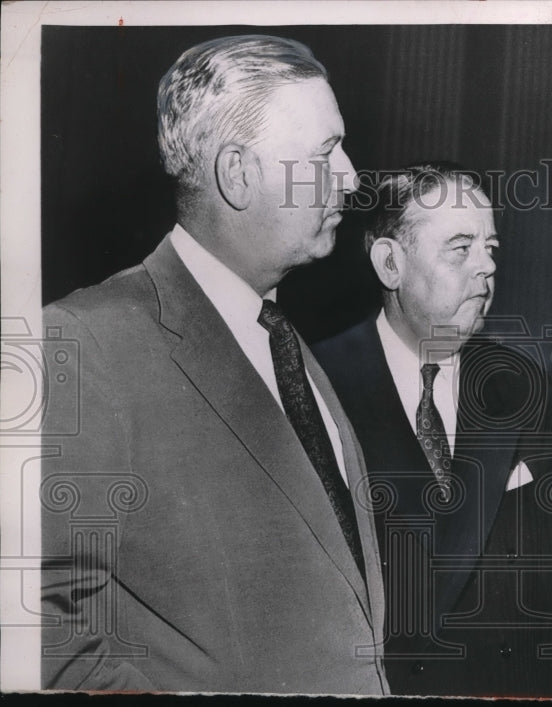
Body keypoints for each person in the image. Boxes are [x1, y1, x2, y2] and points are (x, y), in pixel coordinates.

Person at [40, 35, 386, 694]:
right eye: (324, 153)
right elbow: (38, 631)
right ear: (237, 173)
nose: (350, 175)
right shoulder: (87, 342)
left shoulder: (290, 349)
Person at [312, 163, 552, 697]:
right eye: (461, 249)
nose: (486, 268)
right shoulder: (318, 381)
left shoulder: (523, 385)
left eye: (492, 249)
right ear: (391, 264)